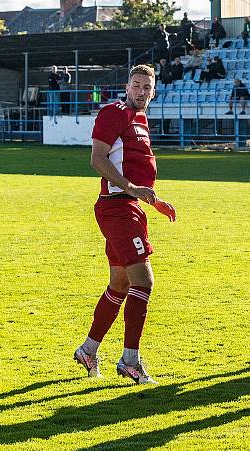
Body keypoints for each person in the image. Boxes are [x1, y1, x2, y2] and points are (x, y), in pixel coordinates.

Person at [73, 64, 176, 385]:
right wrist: (131, 189)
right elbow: (97, 159)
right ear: (127, 86)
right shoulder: (113, 113)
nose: (142, 91)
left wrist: (153, 200)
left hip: (129, 206)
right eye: (136, 85)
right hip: (117, 209)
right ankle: (130, 360)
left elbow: (136, 169)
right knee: (143, 282)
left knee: (120, 285)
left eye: (147, 87)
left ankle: (88, 350)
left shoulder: (141, 119)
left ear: (154, 91)